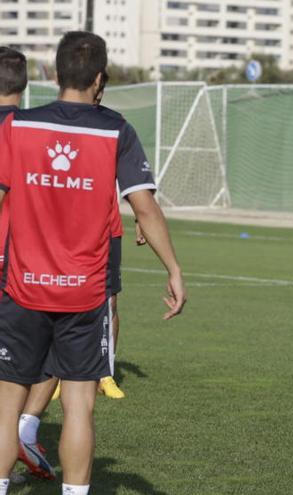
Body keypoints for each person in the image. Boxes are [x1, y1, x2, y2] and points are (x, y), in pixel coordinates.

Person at [0, 32, 186, 495]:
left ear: (55, 74)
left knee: (6, 403)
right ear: (100, 79)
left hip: (22, 285)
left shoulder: (17, 127)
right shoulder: (116, 130)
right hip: (84, 291)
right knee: (80, 404)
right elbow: (145, 208)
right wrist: (174, 270)